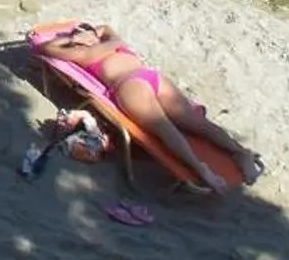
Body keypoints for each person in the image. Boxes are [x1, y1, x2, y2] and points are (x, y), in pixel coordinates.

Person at [30, 23, 264, 193]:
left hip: (151, 78)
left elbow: (107, 27)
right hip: (128, 84)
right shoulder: (82, 52)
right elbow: (45, 47)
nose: (88, 33)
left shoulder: (108, 43)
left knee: (196, 123)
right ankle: (199, 167)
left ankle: (240, 153)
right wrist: (75, 39)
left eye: (89, 30)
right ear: (75, 41)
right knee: (163, 127)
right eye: (80, 33)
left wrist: (97, 32)